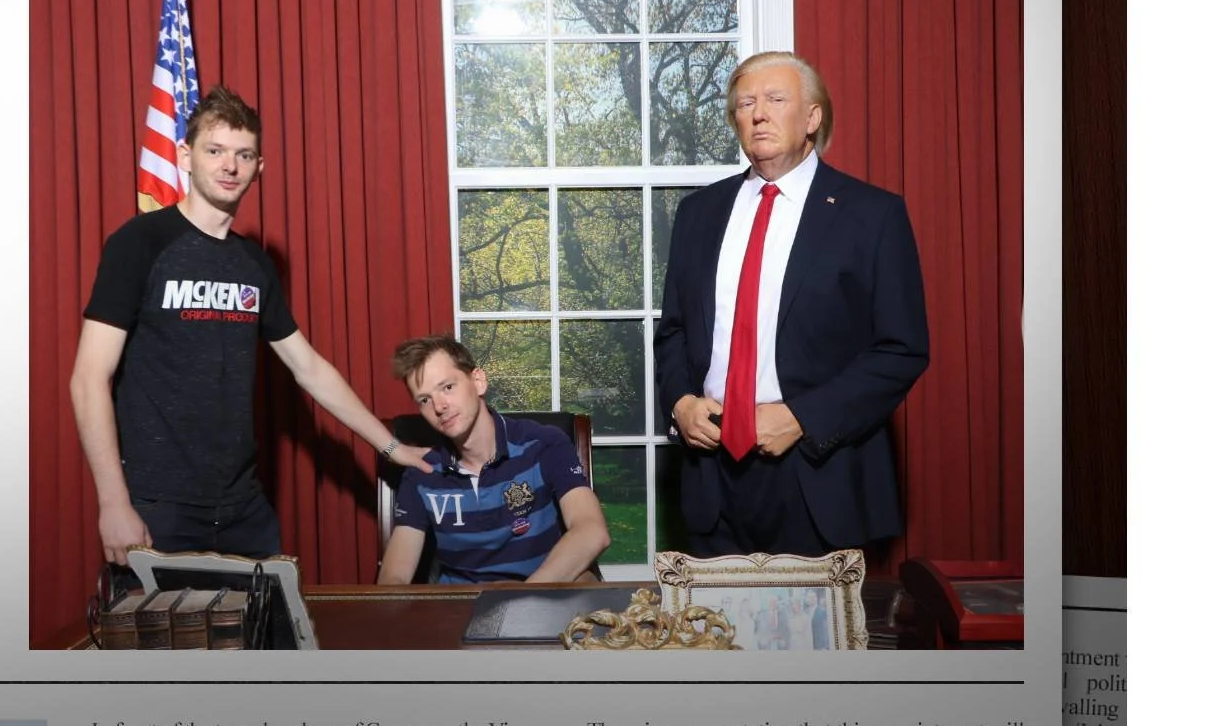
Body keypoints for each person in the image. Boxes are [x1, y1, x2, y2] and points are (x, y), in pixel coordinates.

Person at [70, 85, 428, 566]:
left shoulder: (253, 266)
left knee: (272, 637)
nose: (229, 166)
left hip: (243, 507)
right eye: (214, 151)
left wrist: (390, 447)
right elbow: (89, 376)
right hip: (157, 505)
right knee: (171, 641)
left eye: (243, 155)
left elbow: (309, 369)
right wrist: (113, 503)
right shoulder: (139, 243)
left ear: (259, 168)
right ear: (185, 156)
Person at [654, 51, 930, 557]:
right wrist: (680, 403)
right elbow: (673, 330)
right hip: (710, 475)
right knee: (712, 635)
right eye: (745, 103)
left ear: (812, 117)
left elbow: (901, 349)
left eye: (776, 99)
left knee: (817, 637)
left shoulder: (873, 215)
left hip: (819, 474)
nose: (758, 112)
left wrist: (803, 417)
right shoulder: (698, 213)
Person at [377, 336, 610, 585]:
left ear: (478, 381)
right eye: (424, 399)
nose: (439, 406)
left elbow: (592, 531)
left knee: (586, 584)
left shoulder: (543, 444)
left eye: (447, 387)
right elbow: (394, 577)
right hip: (460, 609)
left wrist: (521, 600)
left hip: (542, 594)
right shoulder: (421, 473)